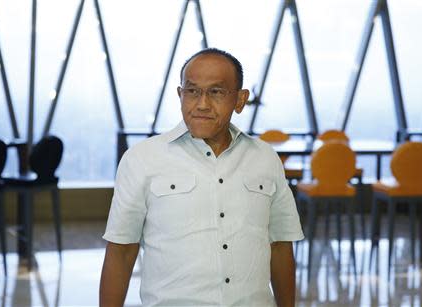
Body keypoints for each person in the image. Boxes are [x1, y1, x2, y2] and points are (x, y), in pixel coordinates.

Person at [100, 48, 304, 307]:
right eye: (192, 91)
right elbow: (121, 251)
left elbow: (280, 246)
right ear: (180, 95)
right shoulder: (142, 159)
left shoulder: (265, 158)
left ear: (240, 100)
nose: (202, 104)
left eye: (216, 92)